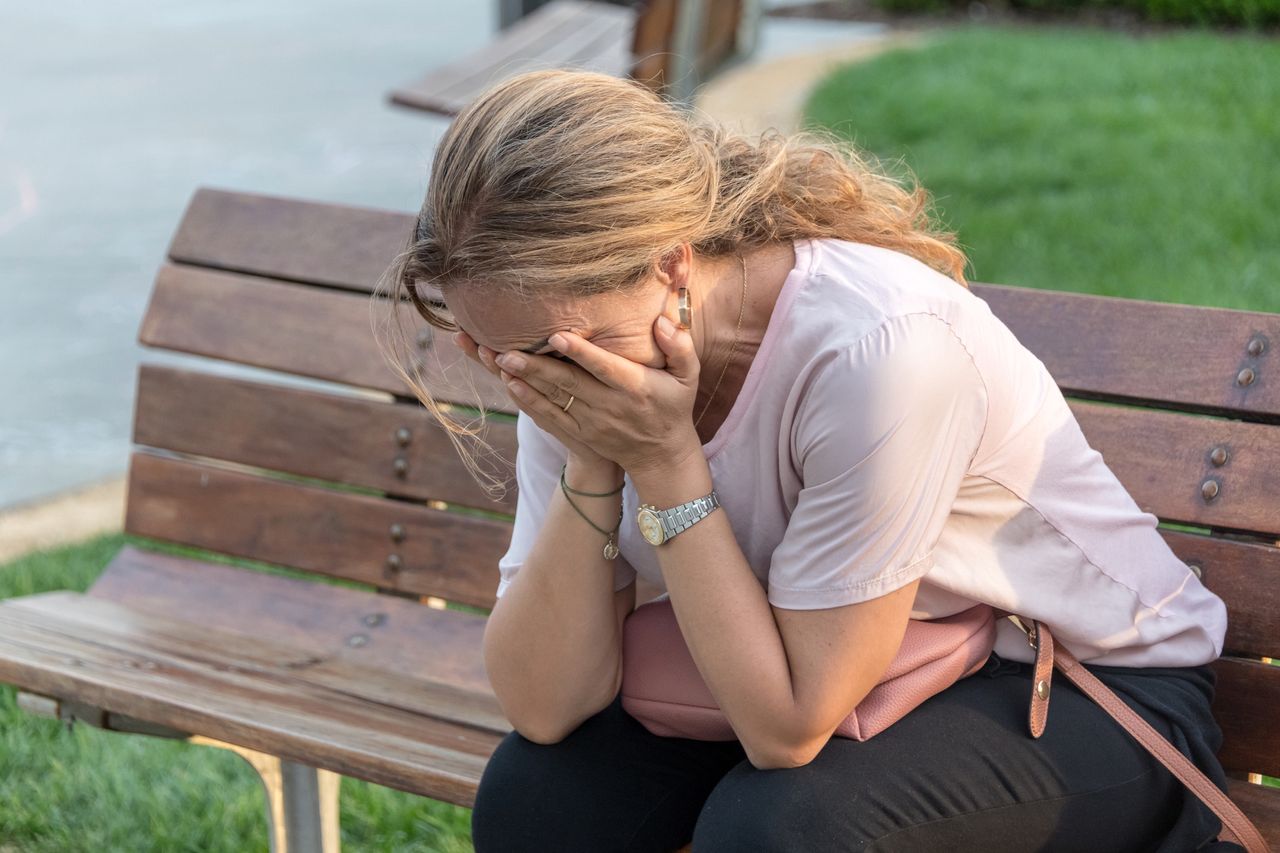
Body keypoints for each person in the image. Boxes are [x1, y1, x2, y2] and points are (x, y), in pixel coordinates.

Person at [374, 68, 1236, 852]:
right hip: (835, 671)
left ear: (671, 262)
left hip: (1087, 687)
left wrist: (668, 463)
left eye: (558, 349)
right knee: (539, 801)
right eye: (498, 353)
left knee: (784, 832)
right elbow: (544, 706)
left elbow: (787, 731)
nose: (530, 376)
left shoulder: (881, 349)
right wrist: (595, 460)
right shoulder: (570, 352)